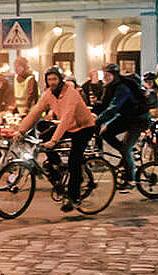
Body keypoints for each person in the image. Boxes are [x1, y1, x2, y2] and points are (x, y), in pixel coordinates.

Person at [14, 65, 97, 212]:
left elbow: (66, 119)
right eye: (49, 79)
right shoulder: (48, 93)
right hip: (69, 126)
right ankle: (57, 164)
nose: (52, 82)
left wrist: (54, 141)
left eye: (54, 79)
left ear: (60, 80)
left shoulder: (71, 93)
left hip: (84, 127)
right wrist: (21, 130)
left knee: (74, 160)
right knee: (43, 136)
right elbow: (35, 113)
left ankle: (74, 197)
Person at [94, 63, 149, 189]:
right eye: (105, 75)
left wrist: (98, 121)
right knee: (105, 133)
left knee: (125, 148)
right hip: (126, 117)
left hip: (139, 119)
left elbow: (113, 108)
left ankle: (131, 180)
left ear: (114, 75)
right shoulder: (108, 87)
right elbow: (103, 105)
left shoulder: (122, 87)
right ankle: (126, 156)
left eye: (108, 75)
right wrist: (90, 113)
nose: (106, 77)